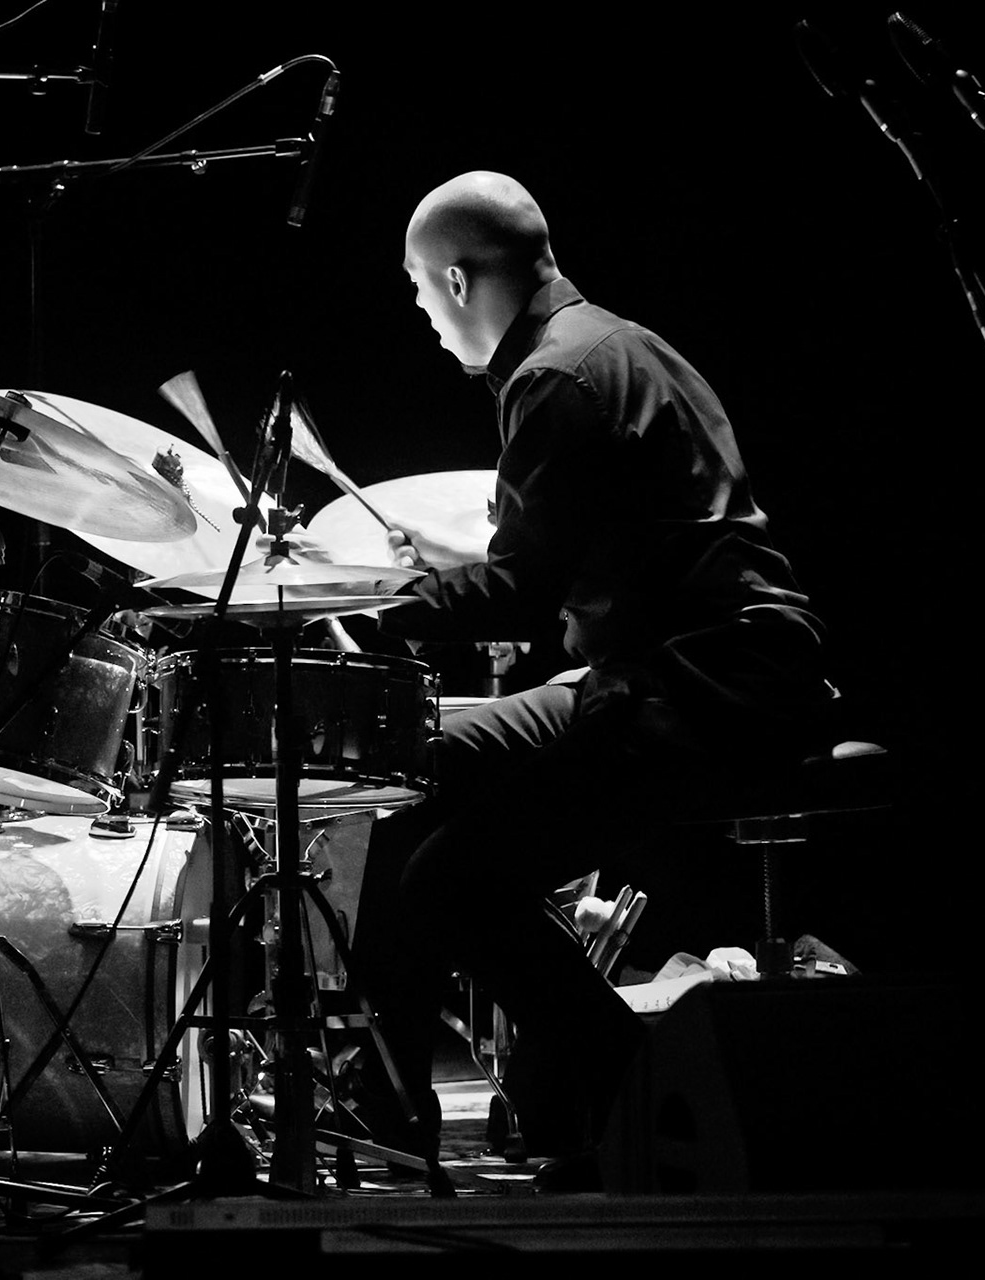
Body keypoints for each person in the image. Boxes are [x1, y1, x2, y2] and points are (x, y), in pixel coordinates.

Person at [353, 171, 841, 1184]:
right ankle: (415, 1104)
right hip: (686, 667)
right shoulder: (616, 344)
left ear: (454, 280)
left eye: (417, 290)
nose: (422, 315)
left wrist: (373, 608)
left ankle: (626, 1100)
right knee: (420, 791)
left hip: (703, 686)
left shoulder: (556, 377)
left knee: (440, 853)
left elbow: (522, 589)